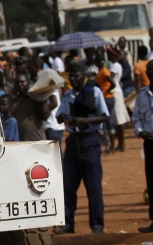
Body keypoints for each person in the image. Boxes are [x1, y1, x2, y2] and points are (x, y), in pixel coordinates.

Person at [54, 61, 110, 234]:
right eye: (71, 76)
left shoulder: (94, 92)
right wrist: (63, 116)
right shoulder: (68, 96)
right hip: (72, 141)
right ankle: (68, 223)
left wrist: (84, 121)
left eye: (76, 76)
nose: (73, 79)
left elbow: (105, 116)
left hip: (89, 141)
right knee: (69, 185)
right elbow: (57, 118)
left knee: (93, 186)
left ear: (84, 76)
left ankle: (97, 226)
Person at [132, 59, 153, 233]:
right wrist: (140, 132)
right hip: (150, 143)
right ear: (146, 74)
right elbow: (136, 117)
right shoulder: (142, 94)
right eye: (150, 70)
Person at [10, 73, 53, 142]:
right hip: (21, 144)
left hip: (37, 141)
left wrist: (41, 99)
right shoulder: (13, 102)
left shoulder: (35, 98)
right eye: (17, 82)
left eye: (22, 82)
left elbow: (45, 116)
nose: (20, 84)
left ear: (28, 83)